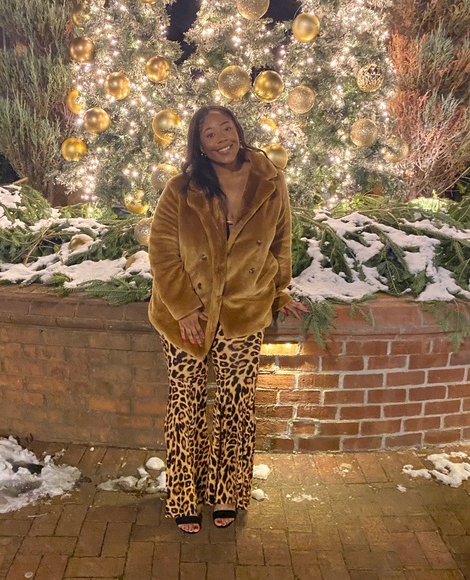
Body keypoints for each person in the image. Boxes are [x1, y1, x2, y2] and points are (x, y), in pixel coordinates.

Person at [148, 105, 307, 533]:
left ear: (238, 130)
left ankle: (227, 494)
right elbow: (162, 251)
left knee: (236, 406)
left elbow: (281, 241)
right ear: (199, 144)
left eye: (226, 128)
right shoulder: (181, 188)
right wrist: (184, 308)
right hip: (186, 316)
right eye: (209, 133)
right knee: (185, 404)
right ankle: (184, 495)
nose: (221, 139)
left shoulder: (271, 181)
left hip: (243, 310)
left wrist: (279, 290)